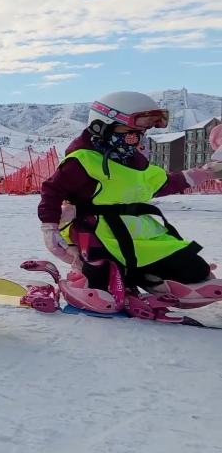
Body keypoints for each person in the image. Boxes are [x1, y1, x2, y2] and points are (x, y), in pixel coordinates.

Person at [36, 91, 222, 318]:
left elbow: (162, 183)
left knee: (196, 269)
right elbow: (52, 190)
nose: (137, 138)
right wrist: (50, 227)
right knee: (102, 277)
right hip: (96, 233)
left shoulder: (135, 162)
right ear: (102, 126)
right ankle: (88, 280)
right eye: (131, 132)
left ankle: (146, 278)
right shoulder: (83, 160)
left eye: (142, 132)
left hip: (139, 234)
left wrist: (205, 173)